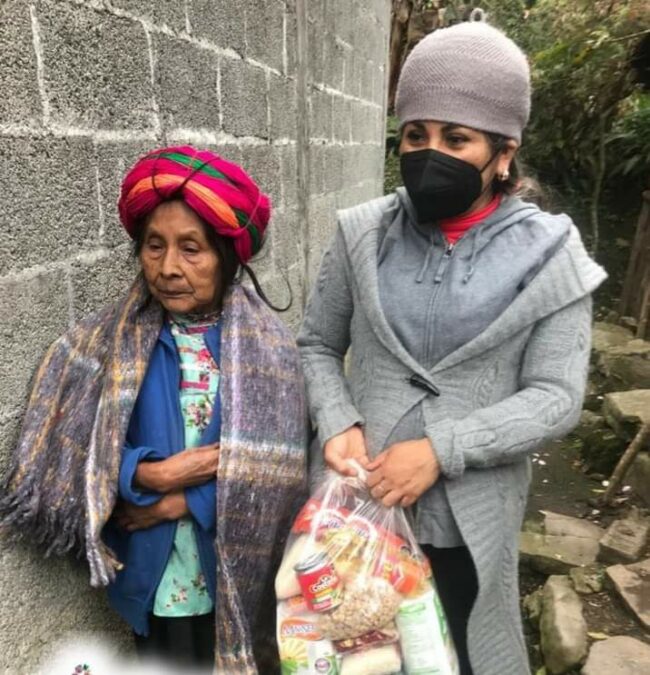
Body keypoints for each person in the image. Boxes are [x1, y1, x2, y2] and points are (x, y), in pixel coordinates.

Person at [297, 21, 606, 675]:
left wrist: (443, 449)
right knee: (358, 654)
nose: (429, 152)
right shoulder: (363, 234)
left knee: (462, 656)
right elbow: (318, 343)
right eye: (416, 134)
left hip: (471, 521)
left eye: (456, 138)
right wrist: (337, 419)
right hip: (358, 509)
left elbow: (556, 397)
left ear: (504, 152)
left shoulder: (550, 254)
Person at [0, 146, 307, 673]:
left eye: (192, 249)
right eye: (154, 246)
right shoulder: (106, 343)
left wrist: (177, 502)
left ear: (226, 257)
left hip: (234, 560)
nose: (168, 268)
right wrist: (147, 474)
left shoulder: (270, 350)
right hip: (155, 570)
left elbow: (279, 468)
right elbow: (78, 447)